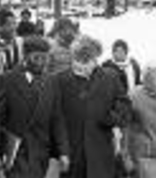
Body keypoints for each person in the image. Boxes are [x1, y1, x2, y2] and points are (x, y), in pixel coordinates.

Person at [0, 36, 70, 178]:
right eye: (37, 58)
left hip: (42, 151)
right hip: (16, 150)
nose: (41, 63)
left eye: (45, 58)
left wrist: (63, 151)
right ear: (25, 56)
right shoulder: (7, 80)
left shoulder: (52, 82)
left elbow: (57, 119)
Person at [51, 35, 131, 178]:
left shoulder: (110, 77)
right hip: (72, 155)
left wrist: (110, 117)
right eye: (79, 59)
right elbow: (55, 119)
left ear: (95, 58)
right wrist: (61, 151)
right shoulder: (59, 80)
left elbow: (125, 107)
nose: (82, 64)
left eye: (87, 60)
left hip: (101, 153)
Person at [126, 62, 156, 178]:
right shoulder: (134, 95)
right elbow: (125, 127)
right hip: (143, 154)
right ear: (146, 79)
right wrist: (126, 155)